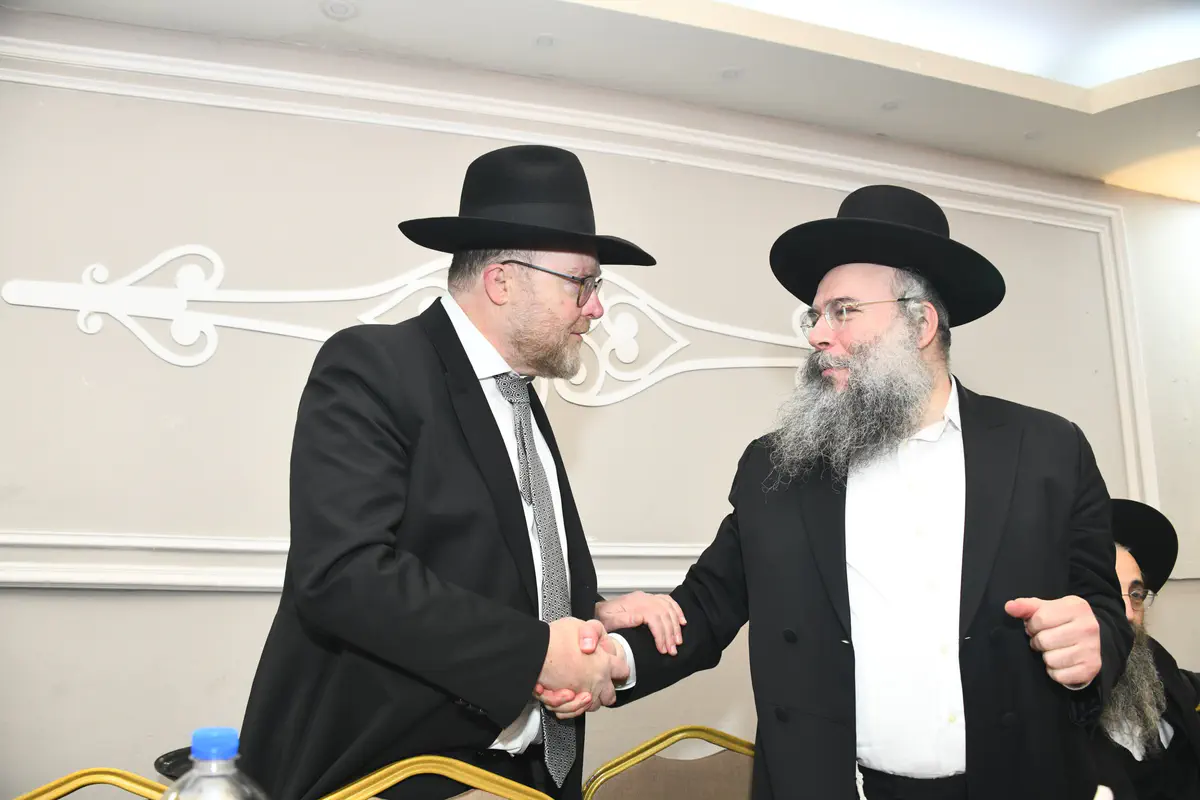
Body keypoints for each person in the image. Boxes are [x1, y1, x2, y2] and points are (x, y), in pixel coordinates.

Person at [549, 185, 1133, 799]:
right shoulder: (777, 464)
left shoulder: (1048, 450)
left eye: (843, 311)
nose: (817, 335)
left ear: (921, 323)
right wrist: (610, 659)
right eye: (816, 315)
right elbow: (708, 606)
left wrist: (1094, 643)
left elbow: (1105, 611)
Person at [236, 144, 683, 800]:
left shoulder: (518, 395)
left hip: (522, 775)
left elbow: (475, 563)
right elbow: (342, 573)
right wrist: (536, 654)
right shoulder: (374, 366)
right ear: (502, 280)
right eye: (581, 283)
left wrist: (594, 614)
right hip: (396, 776)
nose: (595, 309)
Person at [1090, 499, 1200, 799]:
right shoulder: (1042, 727)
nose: (1128, 613)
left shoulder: (1180, 689)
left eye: (1136, 594)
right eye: (1107, 593)